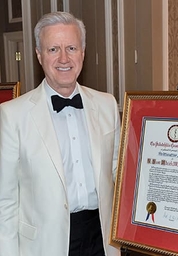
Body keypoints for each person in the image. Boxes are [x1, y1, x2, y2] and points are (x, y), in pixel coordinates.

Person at [0, 11, 120, 256]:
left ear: (83, 53)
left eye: (72, 48)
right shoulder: (12, 115)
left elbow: (119, 174)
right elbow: (5, 202)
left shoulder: (108, 104)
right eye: (53, 49)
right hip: (44, 245)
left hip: (102, 239)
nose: (64, 58)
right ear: (39, 55)